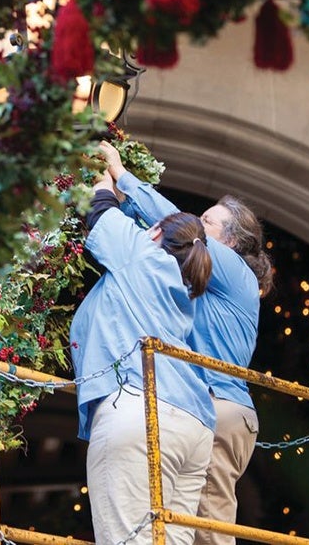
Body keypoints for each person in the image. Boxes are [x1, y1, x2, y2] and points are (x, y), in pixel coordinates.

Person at [99, 141, 273, 545]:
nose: (196, 223)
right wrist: (111, 197)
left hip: (219, 406)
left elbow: (175, 225)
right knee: (180, 527)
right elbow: (154, 239)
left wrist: (123, 175)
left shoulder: (233, 270)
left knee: (209, 529)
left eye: (207, 222)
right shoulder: (201, 277)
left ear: (228, 242)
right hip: (200, 407)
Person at [70, 170, 216, 545]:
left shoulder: (142, 254)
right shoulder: (184, 289)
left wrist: (102, 169)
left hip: (141, 409)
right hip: (193, 425)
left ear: (154, 234)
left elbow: (98, 207)